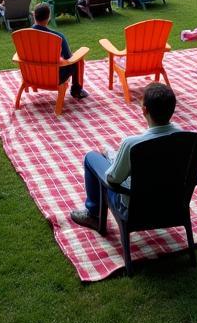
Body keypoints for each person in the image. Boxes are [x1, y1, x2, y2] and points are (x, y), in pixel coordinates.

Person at [69, 82, 179, 231]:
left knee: (91, 158)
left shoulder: (132, 144)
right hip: (170, 204)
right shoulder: (185, 138)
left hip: (135, 207)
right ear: (172, 108)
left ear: (144, 110)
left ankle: (93, 215)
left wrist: (111, 158)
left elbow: (113, 178)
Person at [32, 3, 87, 100]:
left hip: (32, 75)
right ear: (49, 17)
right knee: (75, 61)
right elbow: (68, 58)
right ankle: (76, 90)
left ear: (34, 15)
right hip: (54, 78)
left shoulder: (24, 35)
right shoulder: (57, 37)